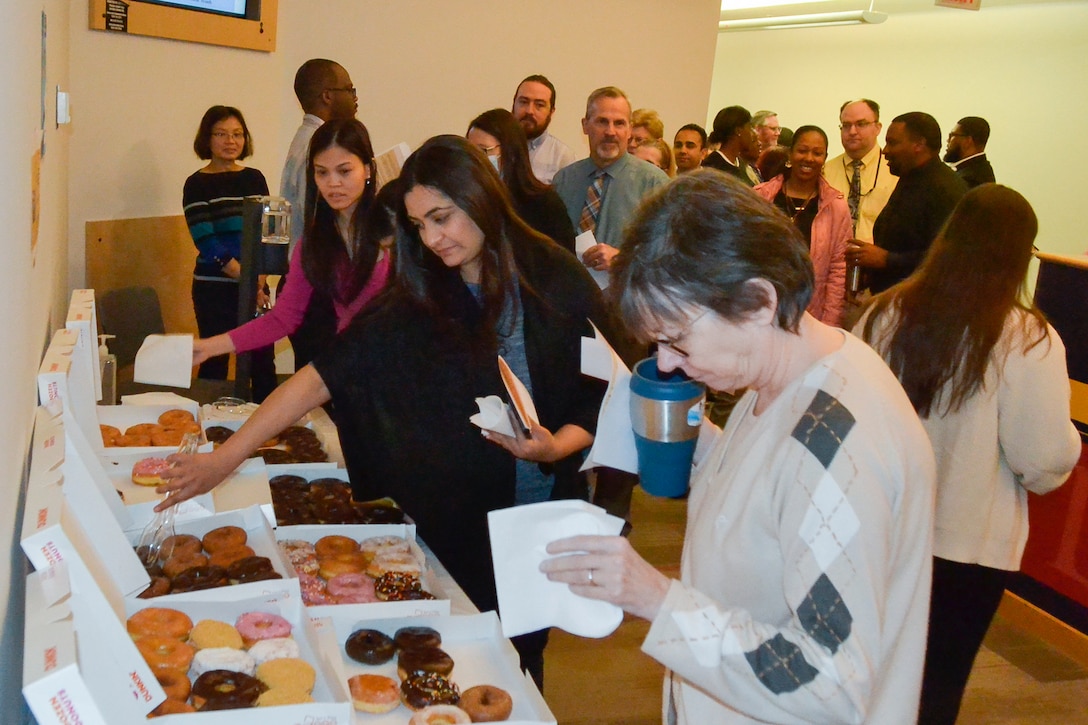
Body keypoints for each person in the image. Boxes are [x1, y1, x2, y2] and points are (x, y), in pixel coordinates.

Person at [159, 135, 613, 689]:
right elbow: (321, 376)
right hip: (454, 521)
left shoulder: (553, 275)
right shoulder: (423, 289)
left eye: (442, 217)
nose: (433, 238)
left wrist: (557, 446)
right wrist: (222, 460)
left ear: (481, 199)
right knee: (457, 657)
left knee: (522, 660)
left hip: (536, 511)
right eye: (420, 225)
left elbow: (606, 386)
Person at [539, 170, 936, 724]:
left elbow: (829, 685)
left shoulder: (837, 446)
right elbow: (773, 488)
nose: (668, 362)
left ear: (756, 302)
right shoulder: (785, 374)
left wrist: (655, 597)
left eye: (677, 339)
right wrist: (700, 442)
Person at [855, 184, 1080, 725]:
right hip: (966, 545)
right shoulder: (1027, 338)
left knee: (866, 669)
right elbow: (1044, 456)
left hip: (875, 527)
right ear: (1019, 254)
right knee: (937, 685)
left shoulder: (884, 314)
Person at [191, 119, 391, 368]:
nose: (333, 183)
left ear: (368, 169)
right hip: (351, 368)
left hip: (399, 369)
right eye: (322, 172)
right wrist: (208, 347)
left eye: (344, 171)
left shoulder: (395, 229)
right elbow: (283, 318)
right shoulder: (314, 242)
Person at [182, 105, 276, 399]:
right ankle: (213, 432)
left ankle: (268, 430)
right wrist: (245, 279)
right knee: (214, 362)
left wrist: (258, 281)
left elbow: (267, 231)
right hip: (214, 289)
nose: (230, 141)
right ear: (207, 139)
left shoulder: (254, 178)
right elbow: (207, 242)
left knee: (262, 360)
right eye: (221, 134)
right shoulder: (196, 184)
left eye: (237, 134)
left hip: (255, 285)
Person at [278, 59, 360, 369]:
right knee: (324, 385)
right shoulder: (319, 145)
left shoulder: (306, 139)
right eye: (349, 89)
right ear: (327, 95)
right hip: (318, 285)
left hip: (310, 279)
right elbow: (321, 220)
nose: (355, 98)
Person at [552, 86, 669, 273]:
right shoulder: (564, 180)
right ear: (585, 125)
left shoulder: (654, 184)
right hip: (566, 295)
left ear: (629, 129)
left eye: (619, 123)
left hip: (623, 298)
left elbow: (671, 255)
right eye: (602, 122)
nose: (610, 132)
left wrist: (621, 259)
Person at [849, 112, 967, 295]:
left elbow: (950, 257)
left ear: (919, 144)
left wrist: (887, 260)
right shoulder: (909, 177)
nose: (884, 150)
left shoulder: (945, 190)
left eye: (892, 143)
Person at [754, 125, 849, 326]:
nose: (809, 158)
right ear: (790, 153)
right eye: (802, 151)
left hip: (811, 315)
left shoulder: (836, 206)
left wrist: (829, 324)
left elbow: (838, 270)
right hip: (761, 309)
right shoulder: (760, 197)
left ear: (824, 158)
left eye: (817, 153)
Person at [466, 108, 576, 253]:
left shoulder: (544, 205)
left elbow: (564, 265)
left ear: (510, 152)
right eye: (469, 151)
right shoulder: (466, 201)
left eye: (483, 151)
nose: (475, 159)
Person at [823, 99, 898, 242]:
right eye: (846, 125)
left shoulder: (895, 171)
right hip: (834, 260)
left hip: (879, 259)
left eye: (861, 124)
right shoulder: (825, 171)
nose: (852, 131)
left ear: (878, 127)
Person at [512, 74, 577, 184]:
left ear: (551, 112)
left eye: (539, 105)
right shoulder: (493, 147)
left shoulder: (562, 157)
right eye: (523, 102)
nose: (529, 111)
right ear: (513, 104)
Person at [701, 105, 758, 186]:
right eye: (750, 127)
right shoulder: (713, 167)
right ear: (738, 130)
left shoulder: (741, 164)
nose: (753, 134)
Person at [944, 116, 996, 188]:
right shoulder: (977, 170)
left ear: (967, 141)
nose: (948, 140)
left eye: (952, 135)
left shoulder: (970, 179)